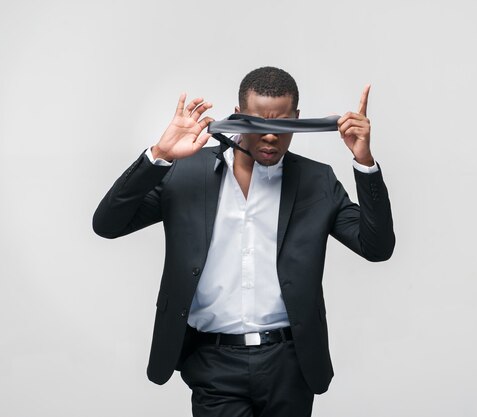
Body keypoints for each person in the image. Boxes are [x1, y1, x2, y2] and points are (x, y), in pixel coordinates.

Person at [93, 66, 395, 417]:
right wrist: (160, 154)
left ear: (296, 120)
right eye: (257, 125)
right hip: (212, 362)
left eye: (281, 126)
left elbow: (377, 247)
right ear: (237, 118)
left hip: (289, 363)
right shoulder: (185, 173)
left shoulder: (317, 180)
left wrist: (364, 161)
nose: (270, 137)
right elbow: (107, 224)